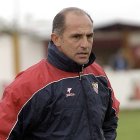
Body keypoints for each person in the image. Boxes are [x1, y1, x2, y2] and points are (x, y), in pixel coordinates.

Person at [0, 7, 120, 140]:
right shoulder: (27, 85)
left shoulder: (98, 74)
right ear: (56, 39)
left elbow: (110, 120)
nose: (85, 44)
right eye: (76, 36)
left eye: (89, 36)